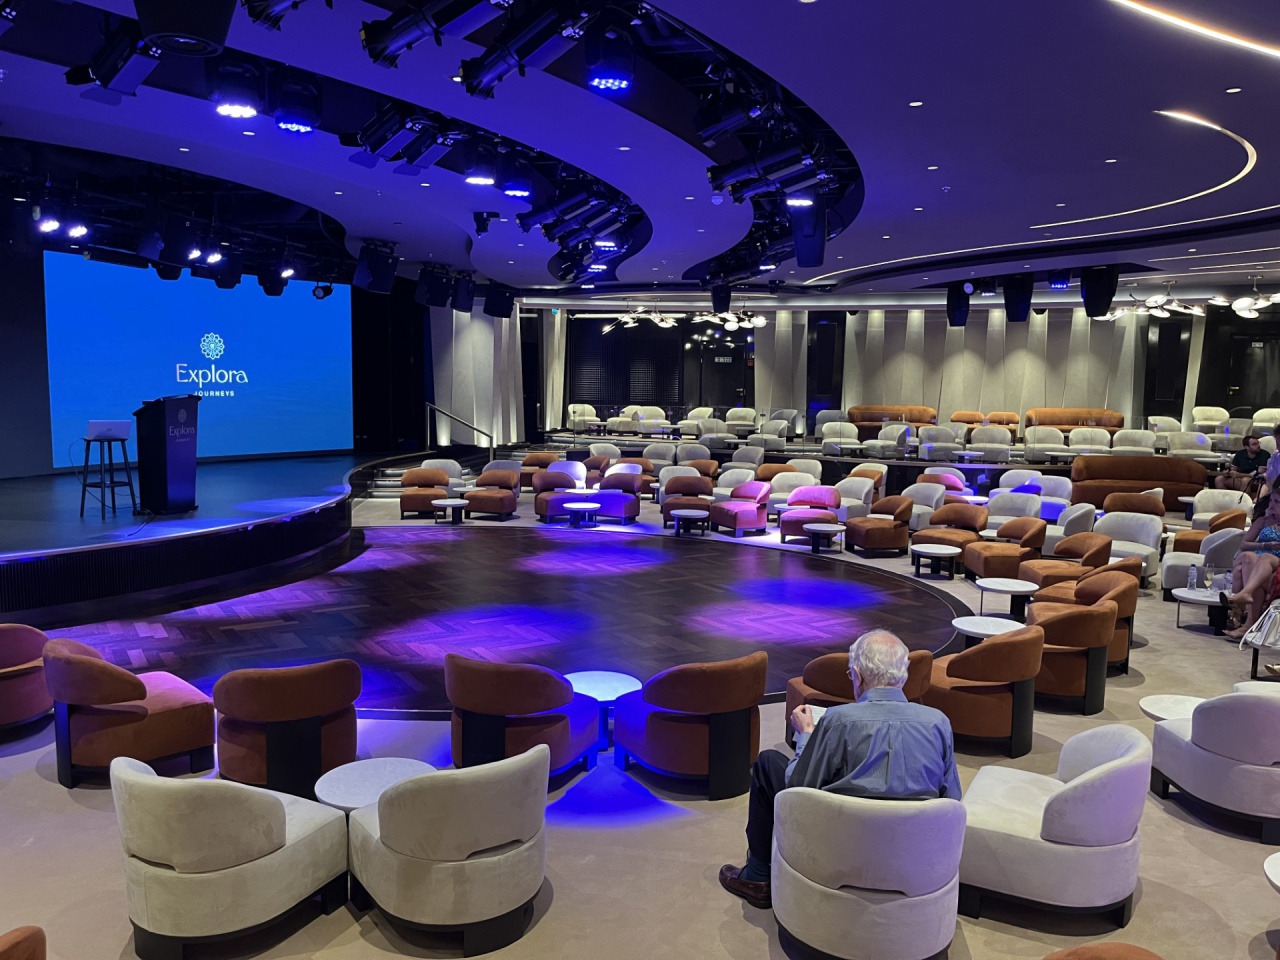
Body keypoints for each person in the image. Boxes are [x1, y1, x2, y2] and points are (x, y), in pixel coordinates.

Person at [718, 629, 962, 909]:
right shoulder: (938, 723)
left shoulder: (838, 720)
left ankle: (757, 876)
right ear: (903, 676)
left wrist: (806, 734)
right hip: (914, 855)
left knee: (767, 764)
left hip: (843, 849)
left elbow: (799, 786)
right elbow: (952, 799)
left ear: (857, 675)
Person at [1222, 492, 1280, 640]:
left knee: (1258, 561)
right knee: (1248, 557)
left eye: (1277, 502)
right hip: (1257, 561)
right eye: (1272, 501)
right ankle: (1246, 605)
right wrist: (1266, 545)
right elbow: (1244, 545)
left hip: (1274, 563)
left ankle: (1241, 610)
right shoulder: (1263, 521)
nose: (1272, 505)